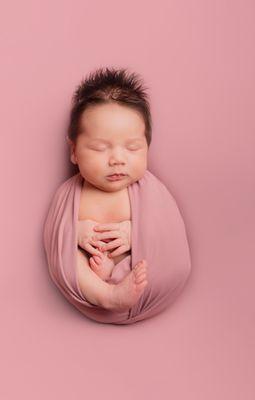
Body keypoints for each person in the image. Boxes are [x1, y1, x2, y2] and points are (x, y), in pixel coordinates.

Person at [66, 67, 152, 312]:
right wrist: (78, 231)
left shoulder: (149, 192)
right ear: (73, 151)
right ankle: (107, 295)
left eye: (132, 148)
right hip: (91, 268)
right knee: (72, 259)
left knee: (146, 263)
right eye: (100, 148)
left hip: (131, 268)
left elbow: (166, 229)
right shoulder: (71, 196)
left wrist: (134, 231)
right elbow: (56, 236)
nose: (117, 159)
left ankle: (121, 283)